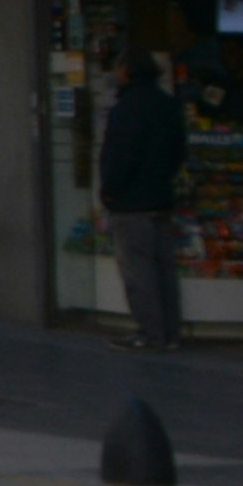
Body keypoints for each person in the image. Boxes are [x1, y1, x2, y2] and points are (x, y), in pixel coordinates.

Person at [99, 47, 193, 352]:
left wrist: (111, 190)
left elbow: (121, 156)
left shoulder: (126, 108)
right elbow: (179, 151)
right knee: (164, 268)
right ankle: (171, 333)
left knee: (138, 270)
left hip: (131, 202)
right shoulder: (167, 104)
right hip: (161, 197)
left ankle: (150, 333)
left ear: (126, 71)